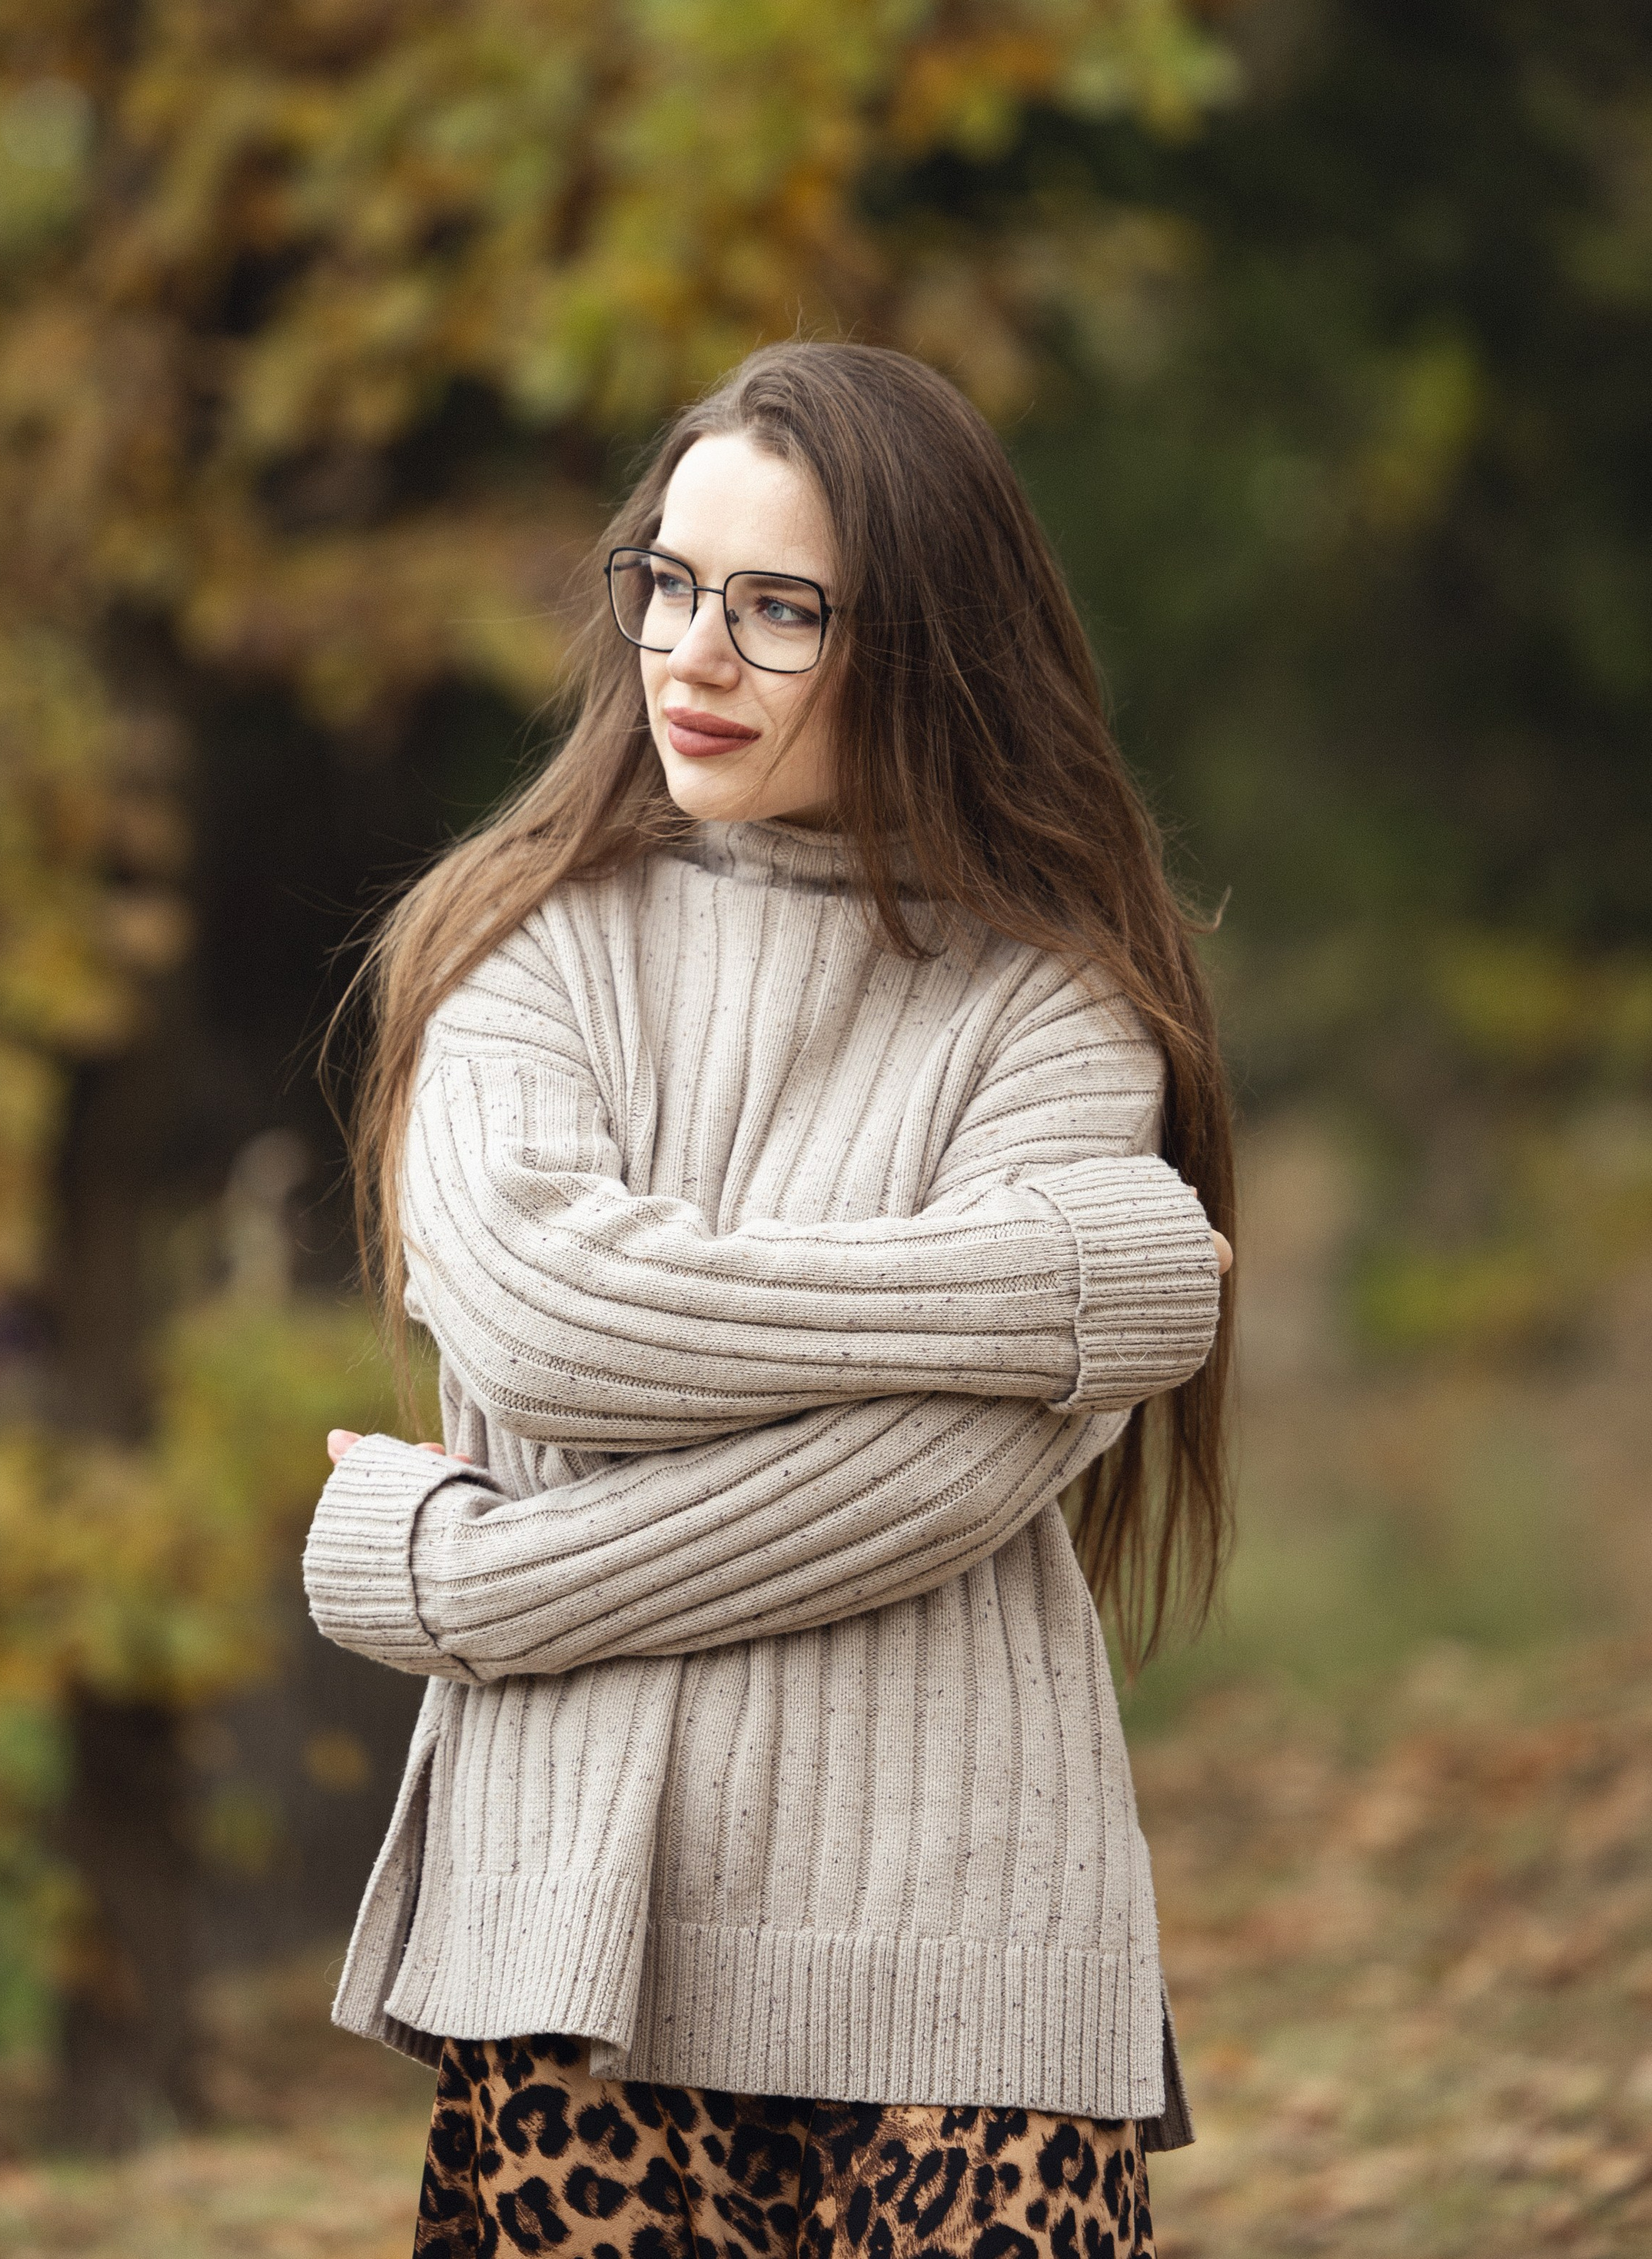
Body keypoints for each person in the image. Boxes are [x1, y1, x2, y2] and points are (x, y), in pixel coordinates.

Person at [307, 341, 1235, 2259]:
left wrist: (474, 1587)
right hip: (574, 1950)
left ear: (926, 645)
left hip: (966, 1949)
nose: (691, 654)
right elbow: (554, 1328)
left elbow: (949, 1480)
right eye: (666, 582)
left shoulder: (1052, 996)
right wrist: (1055, 1283)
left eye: (778, 609)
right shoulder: (519, 938)